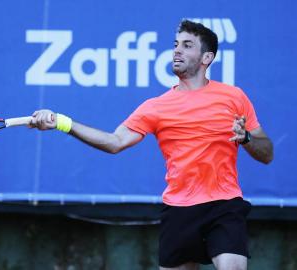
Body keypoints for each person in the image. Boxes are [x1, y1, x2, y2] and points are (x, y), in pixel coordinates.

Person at [28, 20, 274, 270]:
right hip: (179, 210)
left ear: (206, 58)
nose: (177, 50)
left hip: (224, 204)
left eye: (187, 45)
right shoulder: (155, 107)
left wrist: (247, 138)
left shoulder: (234, 97)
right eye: (176, 44)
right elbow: (115, 142)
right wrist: (62, 122)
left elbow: (266, 153)